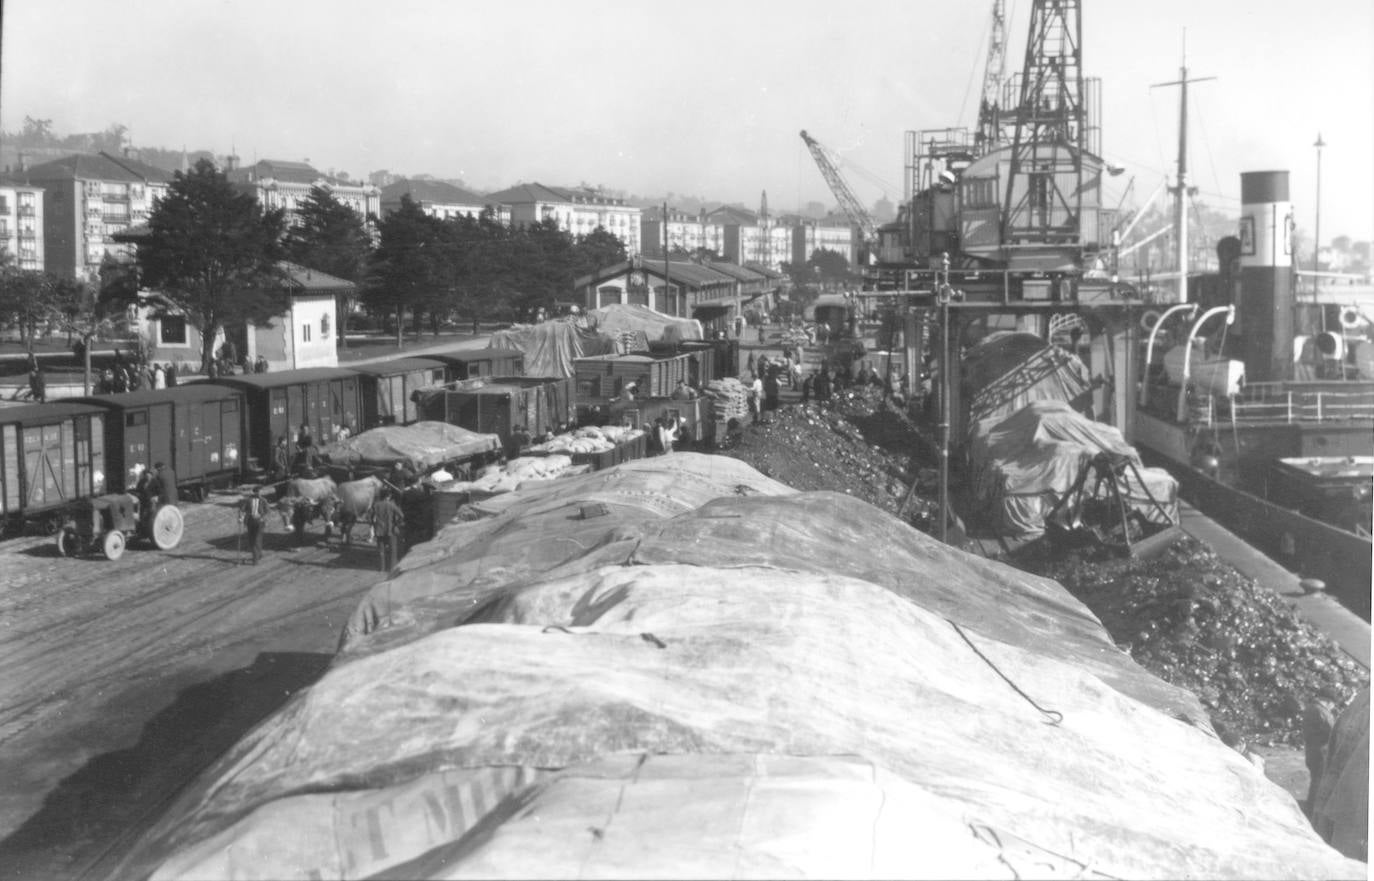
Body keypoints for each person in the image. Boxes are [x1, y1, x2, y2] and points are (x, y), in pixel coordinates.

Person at [371, 488, 405, 573]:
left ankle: (381, 568)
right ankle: (392, 568)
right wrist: (396, 524)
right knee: (393, 550)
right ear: (389, 496)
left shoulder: (376, 505)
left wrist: (375, 525)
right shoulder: (392, 505)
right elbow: (401, 516)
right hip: (390, 529)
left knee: (381, 550)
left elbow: (371, 517)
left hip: (379, 529)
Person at [239, 486, 269, 565]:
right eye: (257, 492)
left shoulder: (263, 500)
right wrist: (241, 518)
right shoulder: (248, 500)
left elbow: (267, 511)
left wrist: (263, 517)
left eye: (260, 492)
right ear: (254, 492)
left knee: (257, 539)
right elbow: (242, 510)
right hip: (250, 521)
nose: (259, 493)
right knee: (252, 539)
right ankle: (258, 554)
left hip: (260, 521)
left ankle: (255, 560)